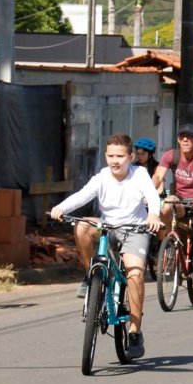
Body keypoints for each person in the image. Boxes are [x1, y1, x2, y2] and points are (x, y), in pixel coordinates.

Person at [50, 133, 163, 358]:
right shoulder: (102, 177)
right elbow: (82, 196)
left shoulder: (139, 174)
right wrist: (60, 207)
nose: (115, 160)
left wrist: (154, 214)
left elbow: (152, 196)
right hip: (108, 226)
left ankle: (134, 330)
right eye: (111, 155)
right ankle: (90, 275)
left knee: (135, 275)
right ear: (105, 156)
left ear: (131, 157)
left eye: (120, 156)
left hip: (135, 229)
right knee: (82, 227)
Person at [152, 123, 193, 300]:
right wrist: (148, 192)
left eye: (189, 136)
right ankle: (169, 242)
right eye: (182, 137)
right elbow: (158, 176)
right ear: (178, 139)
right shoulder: (170, 155)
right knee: (166, 205)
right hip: (181, 200)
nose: (185, 140)